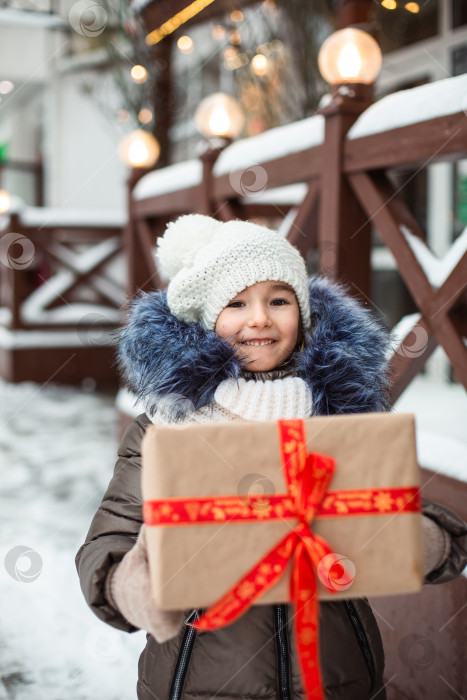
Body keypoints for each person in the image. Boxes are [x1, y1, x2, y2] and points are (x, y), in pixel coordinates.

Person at [76, 214, 467, 700]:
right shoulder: (168, 428)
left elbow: (404, 510)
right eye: (236, 303)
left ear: (301, 316)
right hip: (202, 673)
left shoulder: (340, 419)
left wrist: (420, 540)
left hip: (335, 673)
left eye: (279, 300)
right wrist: (128, 582)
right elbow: (109, 537)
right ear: (205, 319)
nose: (259, 318)